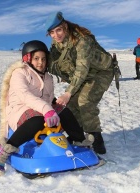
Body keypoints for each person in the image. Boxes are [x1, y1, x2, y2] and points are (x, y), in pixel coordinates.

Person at [0, 40, 86, 176]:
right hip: (19, 110)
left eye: (43, 59)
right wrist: (47, 109)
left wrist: (54, 106)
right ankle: (2, 153)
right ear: (27, 59)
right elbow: (25, 96)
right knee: (37, 119)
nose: (40, 62)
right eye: (36, 58)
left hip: (41, 109)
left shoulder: (48, 78)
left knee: (63, 111)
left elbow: (47, 98)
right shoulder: (19, 73)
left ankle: (79, 141)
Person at [45, 11, 117, 154]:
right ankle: (77, 137)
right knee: (70, 106)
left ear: (65, 26)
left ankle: (97, 140)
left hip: (101, 72)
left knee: (85, 101)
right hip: (83, 75)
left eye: (58, 30)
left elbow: (81, 69)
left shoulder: (82, 40)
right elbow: (51, 62)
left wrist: (68, 92)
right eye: (52, 32)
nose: (56, 35)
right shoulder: (57, 43)